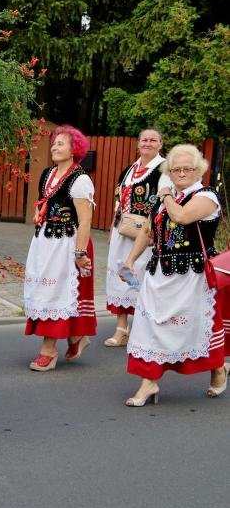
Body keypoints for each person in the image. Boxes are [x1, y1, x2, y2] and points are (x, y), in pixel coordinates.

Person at [120, 144, 229, 406]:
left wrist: (166, 194)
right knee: (149, 327)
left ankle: (217, 368)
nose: (180, 173)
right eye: (175, 169)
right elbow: (147, 231)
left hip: (193, 275)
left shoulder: (206, 196)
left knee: (197, 327)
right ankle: (148, 382)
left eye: (187, 169)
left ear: (198, 170)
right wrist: (130, 260)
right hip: (158, 273)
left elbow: (180, 216)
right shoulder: (164, 200)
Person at [24, 125, 97, 371]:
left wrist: (80, 253)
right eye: (54, 143)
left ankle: (49, 351)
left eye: (61, 144)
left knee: (55, 293)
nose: (54, 147)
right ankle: (76, 336)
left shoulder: (81, 179)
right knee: (46, 290)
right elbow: (43, 201)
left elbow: (85, 220)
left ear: (74, 150)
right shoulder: (48, 173)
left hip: (67, 243)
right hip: (45, 241)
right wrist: (38, 212)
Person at [104, 128, 168, 346]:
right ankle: (122, 329)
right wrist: (112, 228)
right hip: (122, 230)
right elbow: (118, 200)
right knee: (119, 276)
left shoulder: (164, 169)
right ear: (138, 143)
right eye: (144, 140)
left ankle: (146, 329)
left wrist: (155, 232)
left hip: (146, 234)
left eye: (153, 140)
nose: (147, 143)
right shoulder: (130, 169)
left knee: (142, 278)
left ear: (160, 144)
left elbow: (165, 203)